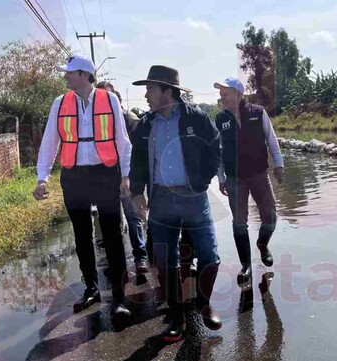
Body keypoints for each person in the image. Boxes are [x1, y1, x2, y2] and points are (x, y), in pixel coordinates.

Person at [33, 54, 131, 317]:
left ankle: (119, 298)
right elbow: (49, 142)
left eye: (71, 72)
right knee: (82, 234)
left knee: (112, 234)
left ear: (86, 75)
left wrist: (126, 175)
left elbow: (122, 139)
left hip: (105, 173)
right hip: (74, 176)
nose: (65, 76)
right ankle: (92, 286)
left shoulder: (109, 99)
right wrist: (42, 177)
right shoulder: (59, 103)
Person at [130, 65, 222, 343]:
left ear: (167, 92)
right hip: (161, 200)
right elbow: (137, 161)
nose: (146, 95)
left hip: (193, 198)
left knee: (209, 255)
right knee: (165, 261)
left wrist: (203, 181)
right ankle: (176, 316)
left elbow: (215, 147)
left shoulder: (196, 118)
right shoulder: (146, 124)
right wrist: (137, 192)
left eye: (150, 89)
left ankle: (203, 303)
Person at [214, 77, 284, 285]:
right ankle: (246, 266)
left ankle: (262, 245)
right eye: (221, 94)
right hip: (235, 178)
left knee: (270, 217)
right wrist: (220, 178)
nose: (222, 97)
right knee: (239, 223)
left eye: (225, 93)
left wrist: (279, 164)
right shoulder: (219, 120)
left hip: (259, 174)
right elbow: (217, 151)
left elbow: (271, 139)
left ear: (238, 93)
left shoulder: (257, 112)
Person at [96, 81, 149, 273]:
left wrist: (135, 179)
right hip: (106, 177)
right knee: (110, 220)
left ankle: (141, 258)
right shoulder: (97, 119)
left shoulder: (130, 119)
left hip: (128, 175)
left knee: (133, 216)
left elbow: (139, 151)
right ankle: (116, 263)